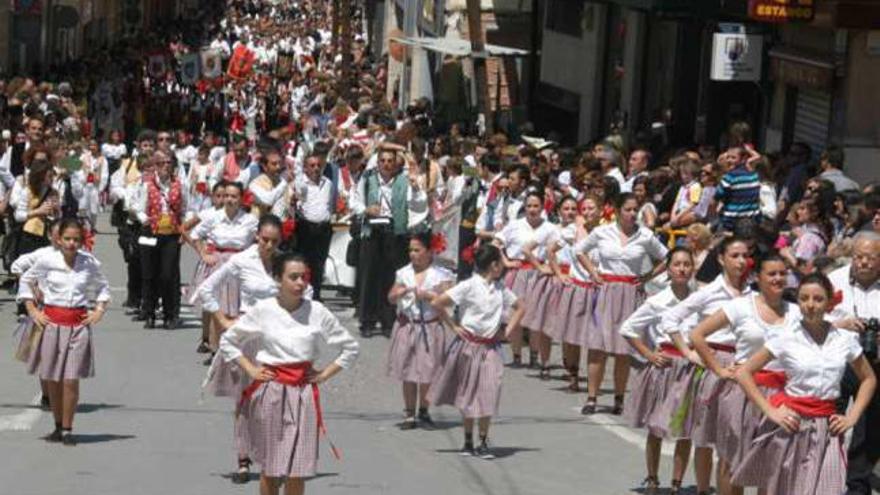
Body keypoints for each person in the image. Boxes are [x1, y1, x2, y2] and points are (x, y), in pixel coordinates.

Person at [216, 251, 359, 495]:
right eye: (293, 277)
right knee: (271, 469)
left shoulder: (317, 311)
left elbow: (350, 347)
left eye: (304, 277)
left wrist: (324, 374)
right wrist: (250, 368)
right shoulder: (264, 310)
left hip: (303, 395)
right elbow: (229, 341)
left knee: (297, 470)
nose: (300, 283)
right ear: (277, 279)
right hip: (270, 393)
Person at [731, 273, 876, 495]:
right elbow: (744, 372)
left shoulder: (843, 339)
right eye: (804, 298)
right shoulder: (785, 335)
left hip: (827, 426)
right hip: (792, 423)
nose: (810, 305)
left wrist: (852, 416)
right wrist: (770, 411)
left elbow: (868, 378)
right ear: (798, 301)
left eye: (818, 299)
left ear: (829, 302)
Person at [689, 253, 799, 495]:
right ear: (757, 277)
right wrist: (718, 368)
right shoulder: (740, 306)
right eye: (772, 273)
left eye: (783, 273)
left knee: (772, 464)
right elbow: (697, 334)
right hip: (742, 393)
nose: (778, 278)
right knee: (732, 461)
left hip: (781, 395)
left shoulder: (796, 312)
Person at [660, 236, 753, 495]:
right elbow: (671, 318)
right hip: (713, 363)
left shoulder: (753, 293)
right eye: (734, 256)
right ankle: (703, 489)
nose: (741, 261)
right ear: (722, 259)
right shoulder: (709, 292)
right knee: (705, 436)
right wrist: (687, 352)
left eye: (745, 255)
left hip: (743, 366)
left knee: (735, 434)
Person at [18, 218, 110, 445]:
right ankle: (57, 426)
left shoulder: (89, 263)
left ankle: (68, 428)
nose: (71, 244)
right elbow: (25, 280)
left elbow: (103, 288)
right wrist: (32, 310)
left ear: (82, 241)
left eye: (76, 239)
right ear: (58, 239)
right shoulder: (48, 260)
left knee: (70, 379)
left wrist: (99, 310)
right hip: (51, 324)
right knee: (53, 379)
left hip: (78, 326)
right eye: (67, 239)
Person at [428, 243, 525, 459]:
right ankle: (468, 440)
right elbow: (437, 302)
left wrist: (507, 331)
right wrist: (454, 326)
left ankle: (483, 440)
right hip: (468, 346)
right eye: (500, 262)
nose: (503, 266)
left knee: (489, 391)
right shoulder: (469, 285)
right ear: (494, 265)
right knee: (468, 393)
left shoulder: (501, 289)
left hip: (490, 347)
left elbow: (520, 307)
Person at [576, 193, 668, 415]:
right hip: (606, 290)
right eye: (627, 209)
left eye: (635, 209)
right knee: (598, 346)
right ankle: (592, 397)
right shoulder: (602, 231)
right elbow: (579, 250)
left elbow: (668, 257)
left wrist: (647, 276)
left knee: (624, 349)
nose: (632, 214)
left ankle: (619, 397)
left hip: (631, 291)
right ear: (617, 210)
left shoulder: (645, 235)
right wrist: (593, 272)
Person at [621, 247, 698, 495]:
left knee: (685, 429)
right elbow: (628, 328)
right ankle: (653, 478)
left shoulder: (699, 300)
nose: (682, 269)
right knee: (656, 426)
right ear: (668, 268)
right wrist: (649, 354)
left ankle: (676, 483)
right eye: (677, 264)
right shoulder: (657, 301)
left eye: (687, 264)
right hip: (664, 367)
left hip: (690, 368)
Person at [351, 147, 426, 336]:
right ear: (377, 163)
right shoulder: (367, 179)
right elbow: (355, 201)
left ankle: (387, 321)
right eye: (382, 161)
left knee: (390, 278)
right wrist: (367, 210)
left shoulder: (404, 181)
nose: (386, 164)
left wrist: (416, 187)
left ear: (395, 164)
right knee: (369, 277)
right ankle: (367, 321)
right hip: (372, 232)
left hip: (395, 233)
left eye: (390, 161)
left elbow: (417, 203)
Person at [828, 232, 880, 495]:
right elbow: (809, 319)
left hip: (875, 363)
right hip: (838, 360)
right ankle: (824, 477)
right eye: (859, 257)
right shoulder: (833, 280)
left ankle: (857, 487)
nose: (864, 263)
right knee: (829, 420)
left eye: (871, 258)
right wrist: (842, 324)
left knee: (869, 429)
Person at [386, 232, 455, 429]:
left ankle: (424, 410)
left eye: (417, 250)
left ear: (429, 251)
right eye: (410, 250)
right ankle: (409, 413)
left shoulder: (441, 274)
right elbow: (390, 296)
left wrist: (428, 295)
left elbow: (448, 299)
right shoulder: (404, 273)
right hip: (408, 325)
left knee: (428, 371)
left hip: (431, 326)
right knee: (408, 371)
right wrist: (398, 293)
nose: (413, 254)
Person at [188, 181, 258, 361]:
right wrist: (204, 254)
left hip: (241, 266)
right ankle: (215, 349)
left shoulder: (249, 221)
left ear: (241, 199)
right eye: (226, 195)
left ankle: (237, 349)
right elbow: (195, 235)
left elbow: (262, 240)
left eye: (234, 196)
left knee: (238, 309)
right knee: (217, 309)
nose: (229, 200)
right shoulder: (214, 217)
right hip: (219, 266)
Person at [495, 189, 557, 368]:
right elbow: (497, 242)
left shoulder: (550, 227)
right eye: (529, 205)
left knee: (536, 316)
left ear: (543, 207)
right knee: (515, 315)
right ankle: (516, 355)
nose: (532, 209)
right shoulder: (515, 225)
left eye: (536, 206)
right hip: (518, 272)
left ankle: (534, 356)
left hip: (540, 274)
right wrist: (506, 261)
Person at [133, 151, 186, 329]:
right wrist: (144, 219)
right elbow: (138, 207)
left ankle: (170, 314)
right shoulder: (147, 185)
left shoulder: (179, 184)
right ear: (155, 165)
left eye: (168, 163)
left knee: (167, 274)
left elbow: (187, 208)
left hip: (170, 234)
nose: (165, 166)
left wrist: (185, 227)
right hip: (150, 233)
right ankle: (149, 312)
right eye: (161, 163)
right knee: (149, 274)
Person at [294, 150, 334, 301]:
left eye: (318, 165)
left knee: (320, 262)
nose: (316, 168)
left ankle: (316, 293)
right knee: (305, 262)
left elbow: (329, 204)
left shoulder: (328, 183)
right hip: (306, 227)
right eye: (312, 165)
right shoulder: (300, 184)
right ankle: (303, 293)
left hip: (324, 227)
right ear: (306, 168)